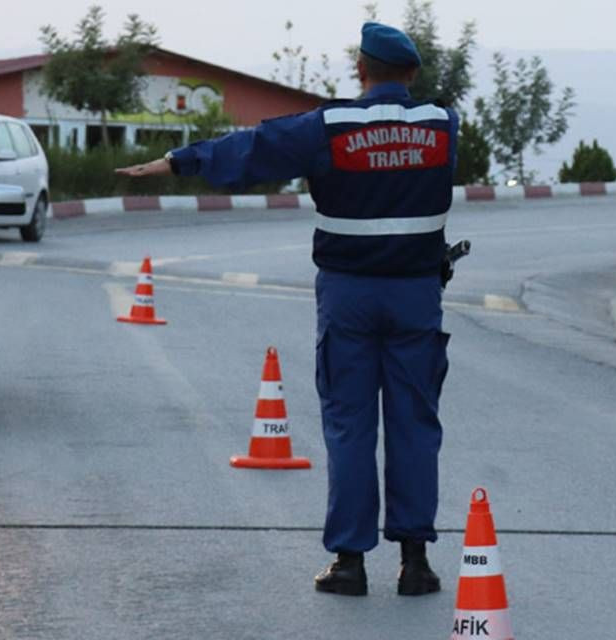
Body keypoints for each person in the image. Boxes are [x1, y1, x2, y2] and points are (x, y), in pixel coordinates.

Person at [116, 22, 458, 597]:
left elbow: (252, 149)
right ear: (412, 73)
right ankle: (415, 562)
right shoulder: (443, 126)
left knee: (349, 425)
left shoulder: (329, 128)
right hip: (416, 295)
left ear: (360, 70)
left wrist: (178, 161)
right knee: (414, 424)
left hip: (348, 294)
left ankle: (350, 563)